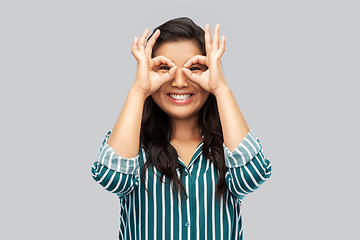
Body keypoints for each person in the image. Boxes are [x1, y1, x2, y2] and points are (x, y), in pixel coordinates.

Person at [91, 17, 272, 240]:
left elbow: (251, 177)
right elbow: (111, 178)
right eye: (164, 68)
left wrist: (221, 88)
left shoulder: (228, 148)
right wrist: (139, 90)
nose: (179, 82)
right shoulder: (133, 148)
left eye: (193, 68)